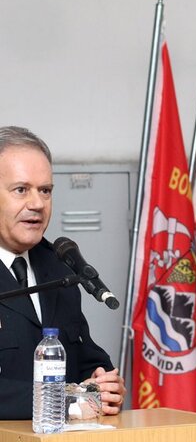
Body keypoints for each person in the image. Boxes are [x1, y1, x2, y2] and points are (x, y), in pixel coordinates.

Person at [0, 126, 126, 420]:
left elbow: (85, 358)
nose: (37, 204)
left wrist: (105, 385)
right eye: (21, 190)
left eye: (45, 191)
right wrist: (67, 403)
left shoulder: (57, 267)